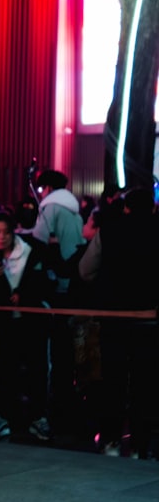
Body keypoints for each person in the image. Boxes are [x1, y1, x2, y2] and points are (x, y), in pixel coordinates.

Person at [78, 187, 159, 459]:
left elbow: (86, 270)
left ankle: (110, 441)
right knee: (144, 385)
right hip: (149, 320)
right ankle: (139, 445)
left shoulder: (109, 230)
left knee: (112, 381)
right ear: (153, 208)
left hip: (112, 319)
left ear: (125, 207)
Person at [0, 210, 52, 441]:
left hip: (32, 323)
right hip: (2, 325)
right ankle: (4, 417)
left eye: (6, 232)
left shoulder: (32, 252)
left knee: (36, 370)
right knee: (5, 370)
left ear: (14, 233)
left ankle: (37, 418)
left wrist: (25, 295)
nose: (1, 237)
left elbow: (44, 283)